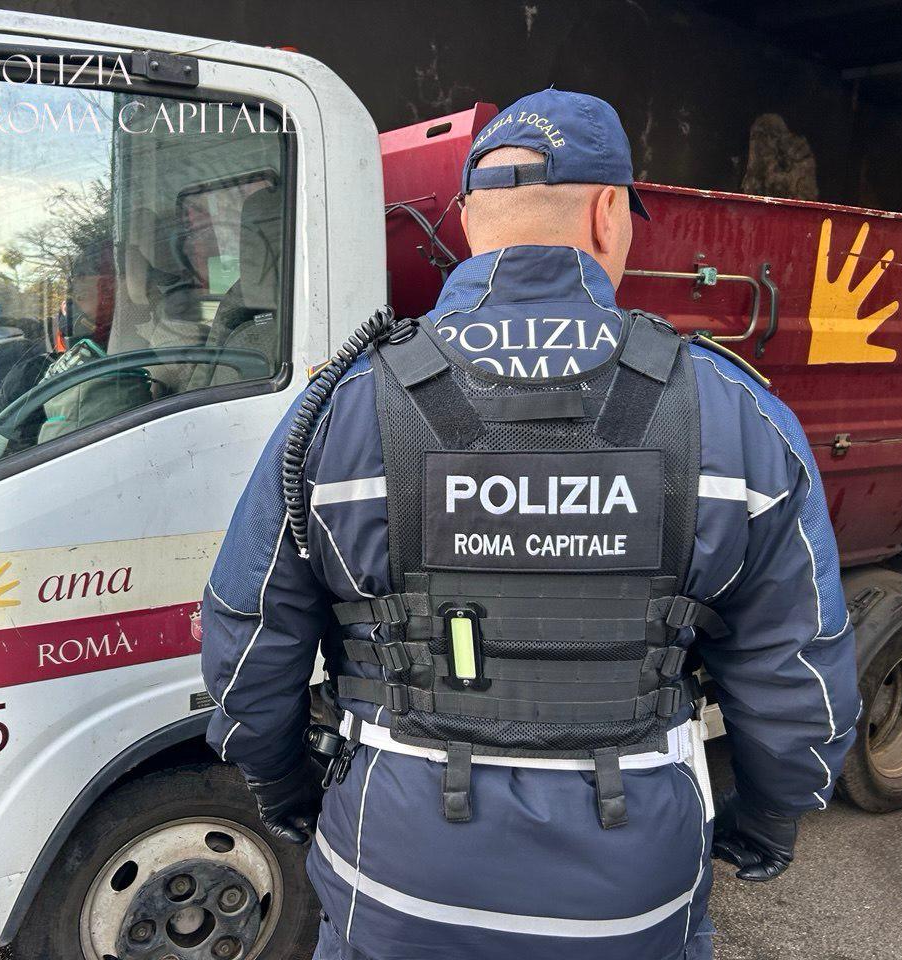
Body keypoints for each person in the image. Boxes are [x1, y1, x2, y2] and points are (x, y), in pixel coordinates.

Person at [201, 89, 859, 960]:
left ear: (472, 221)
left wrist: (284, 790)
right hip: (632, 901)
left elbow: (247, 644)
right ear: (606, 212)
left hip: (392, 883)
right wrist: (771, 817)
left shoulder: (342, 406)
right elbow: (801, 674)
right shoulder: (737, 413)